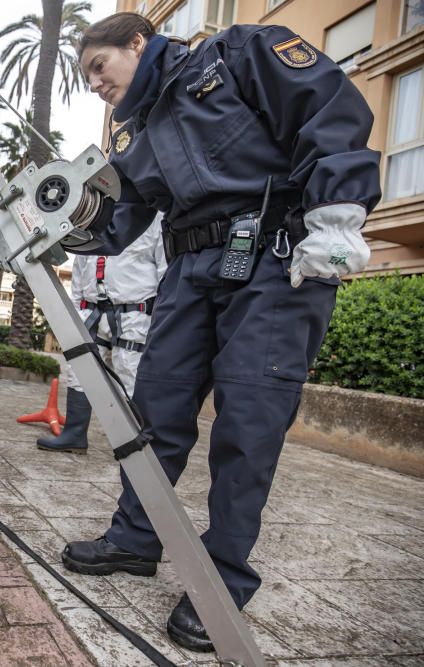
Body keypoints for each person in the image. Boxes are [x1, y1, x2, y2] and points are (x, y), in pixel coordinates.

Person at [62, 12, 380, 652]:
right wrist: (58, 222)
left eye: (100, 66)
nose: (96, 83)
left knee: (249, 422)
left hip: (275, 256)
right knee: (155, 409)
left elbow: (326, 104)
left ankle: (224, 576)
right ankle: (135, 537)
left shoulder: (237, 53)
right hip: (191, 269)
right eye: (87, 76)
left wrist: (339, 215)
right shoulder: (139, 131)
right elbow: (119, 216)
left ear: (136, 42)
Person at [38, 214, 166, 453]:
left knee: (129, 374)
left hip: (134, 314)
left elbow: (164, 270)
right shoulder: (95, 212)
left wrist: (159, 318)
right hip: (91, 310)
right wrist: (75, 312)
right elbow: (79, 269)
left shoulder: (155, 217)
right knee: (79, 370)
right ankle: (75, 434)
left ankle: (138, 448)